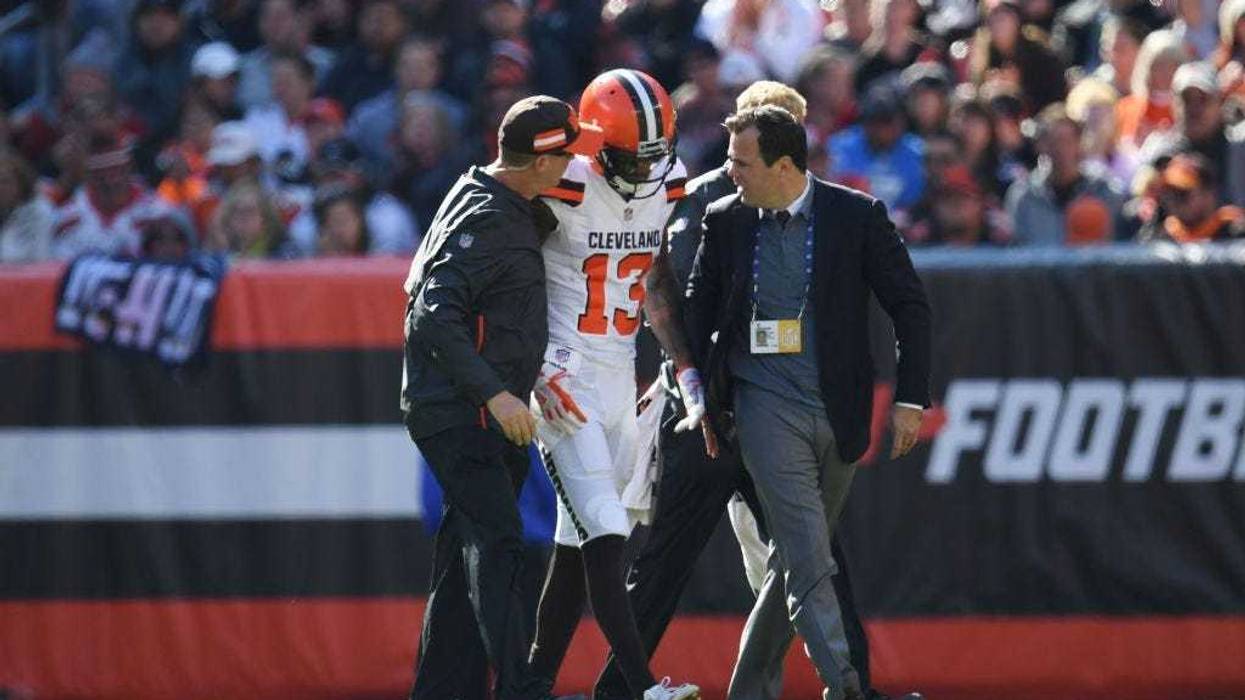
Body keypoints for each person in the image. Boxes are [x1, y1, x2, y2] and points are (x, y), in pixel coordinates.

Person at [595, 80, 923, 700]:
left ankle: (626, 690)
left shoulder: (800, 209)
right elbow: (678, 305)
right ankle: (619, 689)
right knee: (687, 559)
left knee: (797, 554)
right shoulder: (711, 208)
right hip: (712, 411)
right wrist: (692, 385)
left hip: (758, 409)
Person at [685, 105, 931, 700]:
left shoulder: (857, 216)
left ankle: (748, 691)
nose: (728, 172)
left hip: (839, 413)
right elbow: (697, 306)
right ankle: (848, 689)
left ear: (785, 165)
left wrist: (910, 400)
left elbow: (910, 307)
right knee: (806, 551)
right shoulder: (725, 221)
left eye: (741, 162)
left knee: (797, 559)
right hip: (763, 409)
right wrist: (697, 390)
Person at [401, 94, 603, 700]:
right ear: (541, 164)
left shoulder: (491, 195)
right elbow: (431, 316)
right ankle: (524, 688)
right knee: (501, 546)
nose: (574, 164)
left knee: (461, 571)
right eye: (567, 154)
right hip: (467, 414)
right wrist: (496, 396)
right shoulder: (488, 219)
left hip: (474, 410)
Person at [525, 68, 700, 700]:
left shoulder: (665, 186)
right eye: (633, 154)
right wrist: (529, 364)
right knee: (604, 528)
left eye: (655, 154)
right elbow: (509, 271)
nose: (646, 168)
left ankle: (531, 685)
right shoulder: (561, 182)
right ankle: (641, 688)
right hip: (562, 375)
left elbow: (655, 282)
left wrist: (683, 363)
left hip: (619, 372)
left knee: (575, 549)